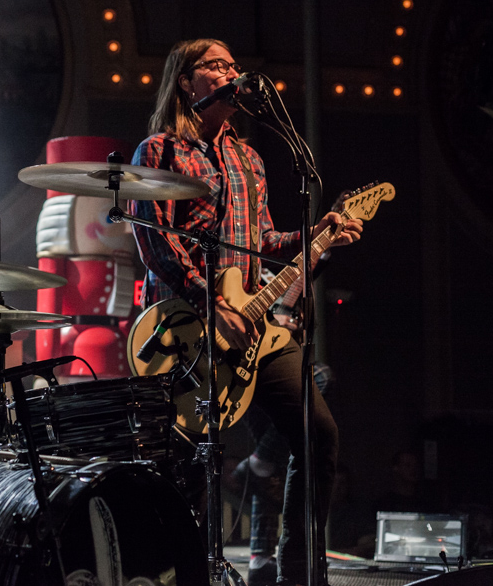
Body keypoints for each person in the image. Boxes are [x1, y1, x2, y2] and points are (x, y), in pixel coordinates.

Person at [129, 38, 363, 586]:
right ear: (187, 82)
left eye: (233, 65)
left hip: (252, 324)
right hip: (184, 326)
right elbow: (156, 242)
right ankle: (173, 572)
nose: (231, 72)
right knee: (182, 463)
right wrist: (210, 302)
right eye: (216, 65)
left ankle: (299, 570)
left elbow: (261, 241)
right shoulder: (159, 151)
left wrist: (320, 235)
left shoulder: (247, 156)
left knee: (316, 434)